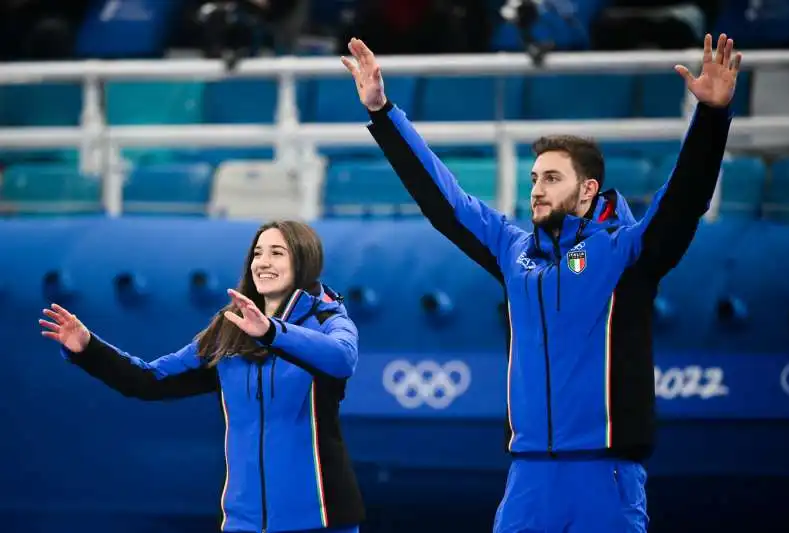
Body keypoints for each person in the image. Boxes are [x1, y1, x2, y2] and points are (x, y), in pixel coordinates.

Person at [342, 33, 742, 533]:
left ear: (587, 190)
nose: (536, 189)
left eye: (552, 178)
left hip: (604, 475)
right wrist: (383, 113)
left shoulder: (624, 252)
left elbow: (684, 200)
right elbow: (443, 200)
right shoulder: (513, 250)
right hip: (528, 478)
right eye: (534, 178)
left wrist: (711, 118)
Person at [39, 220, 365, 533]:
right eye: (257, 253)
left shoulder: (328, 318)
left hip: (321, 518)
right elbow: (149, 380)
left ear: (305, 261)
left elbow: (342, 358)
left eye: (277, 253)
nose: (263, 262)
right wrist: (88, 348)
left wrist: (272, 332)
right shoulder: (230, 328)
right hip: (245, 522)